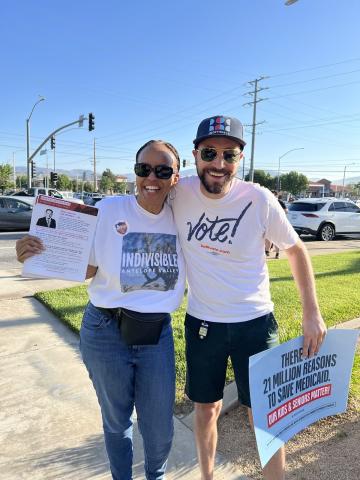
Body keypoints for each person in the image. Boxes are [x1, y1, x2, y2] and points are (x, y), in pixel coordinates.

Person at [16, 140, 186, 480]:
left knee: (159, 427)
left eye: (162, 170)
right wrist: (35, 252)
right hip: (105, 331)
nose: (152, 177)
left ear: (175, 177)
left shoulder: (184, 218)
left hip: (156, 335)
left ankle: (157, 476)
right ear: (135, 172)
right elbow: (89, 268)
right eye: (144, 169)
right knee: (116, 420)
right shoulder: (108, 209)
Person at [171, 115, 327, 480]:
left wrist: (312, 313)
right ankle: (207, 476)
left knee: (265, 411)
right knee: (206, 409)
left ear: (240, 158)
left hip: (255, 324)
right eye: (210, 153)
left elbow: (295, 249)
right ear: (195, 155)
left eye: (230, 155)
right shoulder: (178, 194)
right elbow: (135, 208)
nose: (219, 164)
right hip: (203, 323)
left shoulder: (259, 199)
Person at [266, 191, 289, 259]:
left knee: (276, 239)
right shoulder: (268, 202)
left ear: (276, 195)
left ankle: (277, 253)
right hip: (269, 222)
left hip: (277, 223)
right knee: (267, 237)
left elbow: (286, 211)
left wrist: (279, 212)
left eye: (272, 194)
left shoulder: (280, 202)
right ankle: (267, 251)